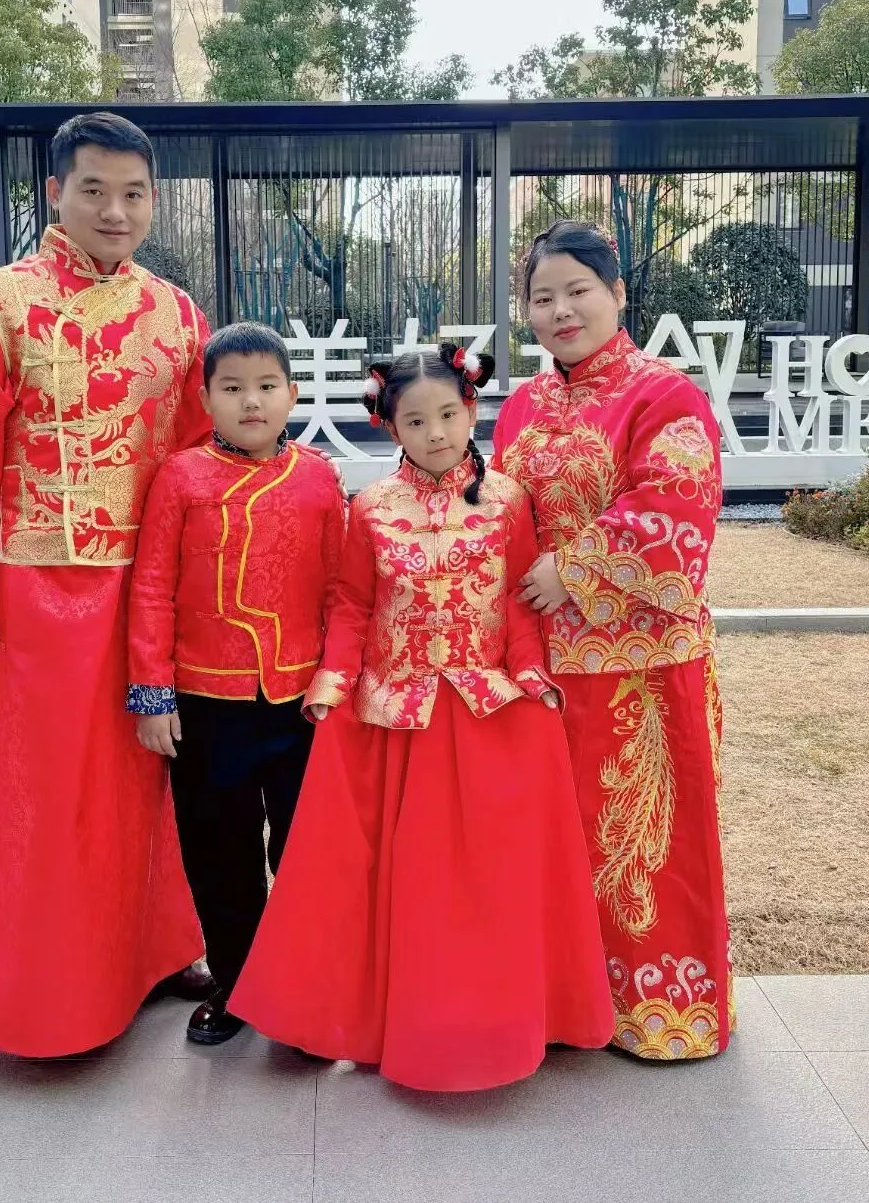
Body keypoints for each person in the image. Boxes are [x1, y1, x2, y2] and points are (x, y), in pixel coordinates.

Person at [0, 112, 214, 1057]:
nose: (116, 211)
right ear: (55, 193)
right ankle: (44, 993)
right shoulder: (0, 303)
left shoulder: (176, 313)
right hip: (39, 592)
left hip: (148, 590)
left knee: (148, 780)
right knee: (42, 792)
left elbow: (198, 457)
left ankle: (158, 953)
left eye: (134, 194)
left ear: (153, 201)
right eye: (95, 191)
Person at [228, 343, 614, 1092]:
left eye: (447, 415)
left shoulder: (509, 500)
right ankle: (383, 1020)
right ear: (388, 426)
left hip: (485, 705)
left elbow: (518, 602)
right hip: (392, 712)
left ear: (471, 411)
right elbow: (352, 603)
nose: (435, 433)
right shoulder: (370, 507)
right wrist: (334, 680)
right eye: (414, 420)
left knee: (484, 883)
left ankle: (491, 1018)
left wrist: (530, 673)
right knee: (393, 881)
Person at [492, 218, 732, 1062]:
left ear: (618, 294)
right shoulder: (521, 406)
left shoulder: (664, 395)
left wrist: (575, 568)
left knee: (647, 848)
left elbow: (677, 505)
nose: (561, 311)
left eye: (578, 292)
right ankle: (568, 1003)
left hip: (646, 672)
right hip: (544, 667)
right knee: (554, 843)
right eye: (542, 298)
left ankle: (660, 1012)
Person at [127, 321, 347, 1046]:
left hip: (299, 706)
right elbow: (152, 588)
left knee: (306, 855)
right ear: (206, 399)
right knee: (220, 854)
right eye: (232, 388)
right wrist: (153, 694)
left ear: (292, 394)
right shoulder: (181, 477)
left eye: (266, 386)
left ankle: (306, 995)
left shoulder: (318, 477)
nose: (251, 402)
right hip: (205, 705)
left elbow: (341, 590)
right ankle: (238, 984)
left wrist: (336, 678)